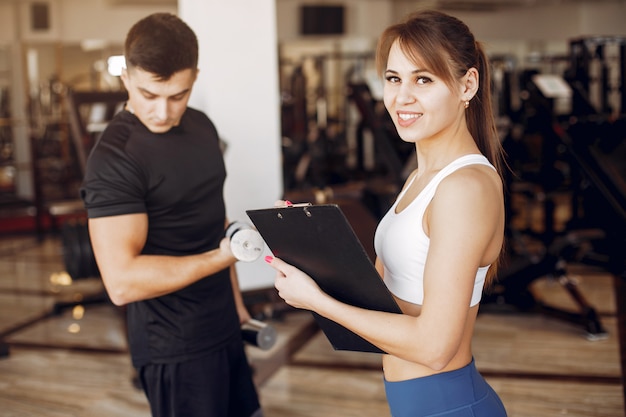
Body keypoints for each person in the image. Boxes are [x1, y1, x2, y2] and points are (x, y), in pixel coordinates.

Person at [265, 10, 507, 417]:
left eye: (423, 79)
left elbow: (434, 348)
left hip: (449, 405)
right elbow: (385, 304)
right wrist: (310, 245)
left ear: (468, 84)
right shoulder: (420, 178)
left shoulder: (464, 188)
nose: (402, 96)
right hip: (415, 403)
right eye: (394, 78)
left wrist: (318, 302)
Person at [80, 13, 262, 417]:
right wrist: (225, 256)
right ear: (125, 77)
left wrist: (235, 304)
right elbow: (122, 283)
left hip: (223, 324)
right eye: (149, 94)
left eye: (178, 95)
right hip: (174, 345)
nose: (163, 112)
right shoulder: (114, 159)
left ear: (194, 77)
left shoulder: (202, 128)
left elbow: (214, 221)